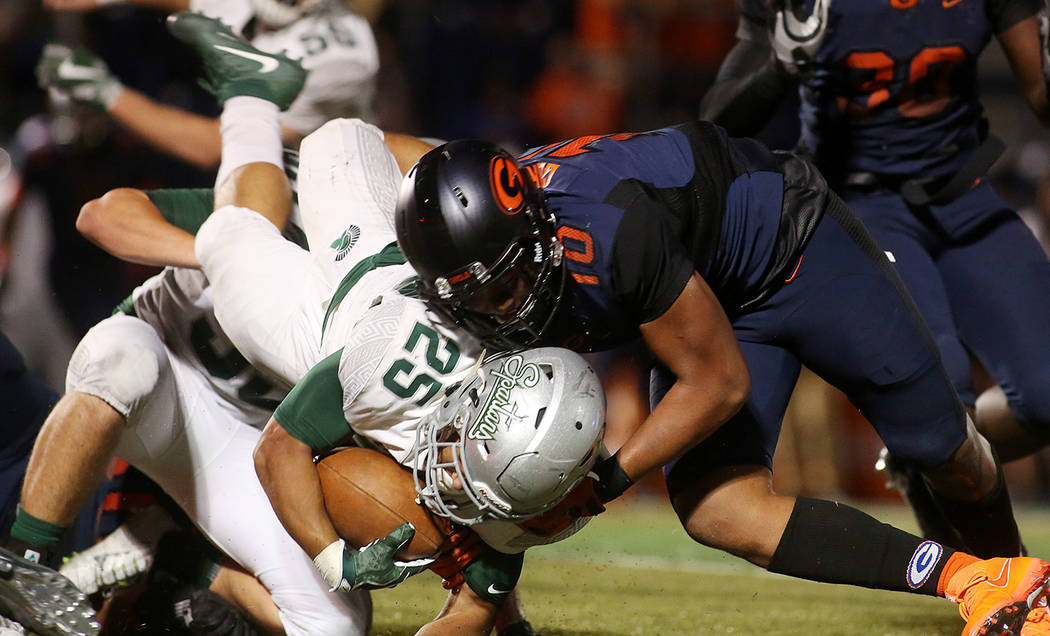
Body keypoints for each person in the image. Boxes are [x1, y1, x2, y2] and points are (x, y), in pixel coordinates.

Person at [392, 120, 1049, 633]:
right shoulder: (487, 248)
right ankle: (980, 582)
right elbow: (396, 153)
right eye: (473, 297)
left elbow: (719, 383)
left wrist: (604, 481)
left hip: (794, 251)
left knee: (948, 454)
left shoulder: (611, 230)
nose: (497, 309)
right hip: (697, 297)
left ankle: (1024, 580)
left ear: (540, 235)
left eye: (507, 285)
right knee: (718, 511)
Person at [698, 0, 1050, 547]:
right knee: (942, 413)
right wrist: (778, 68)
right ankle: (999, 586)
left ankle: (916, 461)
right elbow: (713, 126)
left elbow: (1041, 95)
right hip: (861, 204)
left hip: (966, 194)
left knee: (1044, 395)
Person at [35, 0, 378, 170]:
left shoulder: (340, 58)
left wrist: (104, 92)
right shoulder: (272, 9)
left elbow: (215, 145)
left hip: (317, 197)